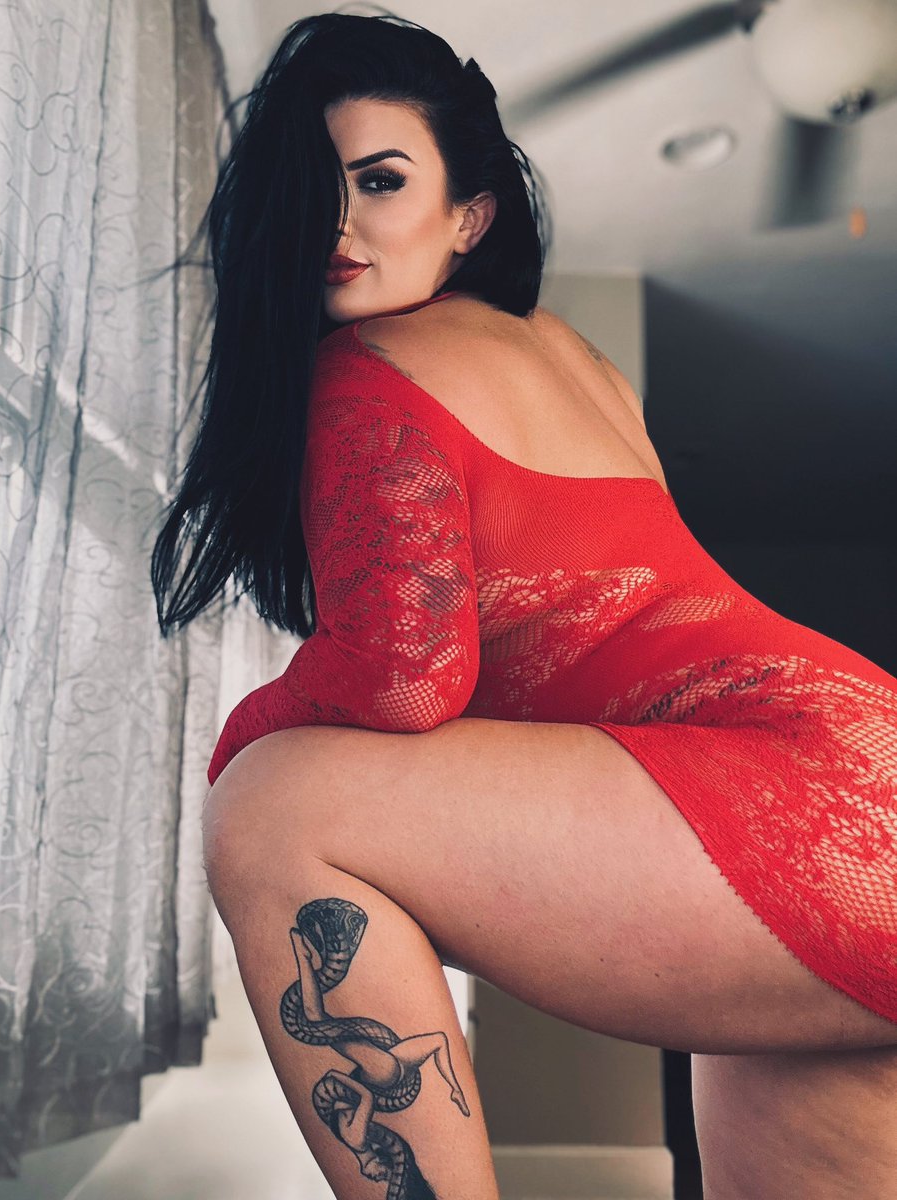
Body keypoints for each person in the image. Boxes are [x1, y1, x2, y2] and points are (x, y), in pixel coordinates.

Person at [150, 12, 897, 1199]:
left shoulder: (369, 367)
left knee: (273, 802)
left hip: (801, 797)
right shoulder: (569, 357)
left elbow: (405, 678)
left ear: (469, 215)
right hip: (860, 757)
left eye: (379, 182)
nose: (336, 224)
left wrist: (246, 734)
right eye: (312, 189)